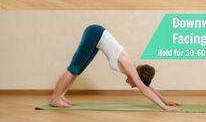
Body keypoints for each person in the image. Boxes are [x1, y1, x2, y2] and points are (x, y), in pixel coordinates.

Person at [50, 23, 180, 108]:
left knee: (78, 70)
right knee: (73, 68)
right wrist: (165, 108)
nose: (132, 85)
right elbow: (144, 89)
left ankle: (61, 96)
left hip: (97, 39)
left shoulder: (134, 70)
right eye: (135, 84)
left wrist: (164, 100)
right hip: (95, 33)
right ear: (138, 78)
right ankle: (55, 98)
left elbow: (147, 86)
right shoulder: (129, 66)